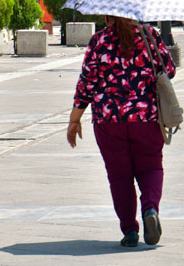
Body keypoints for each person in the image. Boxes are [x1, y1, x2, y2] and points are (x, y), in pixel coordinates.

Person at [67, 16, 177, 246]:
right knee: (151, 166)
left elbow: (87, 83)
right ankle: (150, 209)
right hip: (146, 118)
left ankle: (130, 230)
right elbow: (169, 70)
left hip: (109, 121)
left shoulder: (99, 41)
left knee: (119, 175)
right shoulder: (150, 36)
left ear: (108, 16)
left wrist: (74, 120)